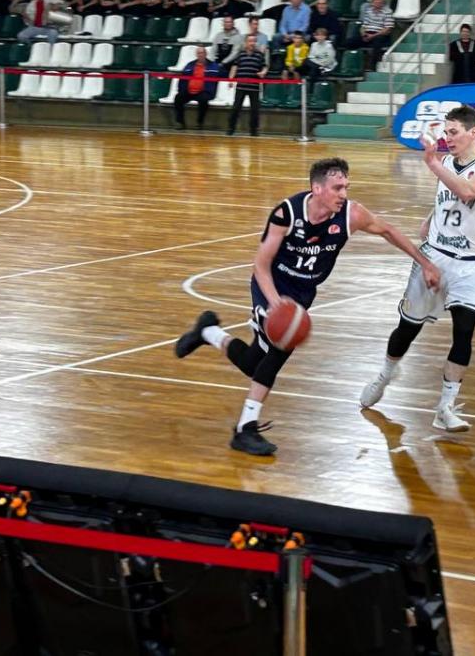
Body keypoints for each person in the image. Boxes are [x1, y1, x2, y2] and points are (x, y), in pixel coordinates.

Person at [174, 158, 441, 456]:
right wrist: (276, 304)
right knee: (279, 350)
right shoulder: (287, 213)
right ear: (317, 188)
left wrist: (425, 263)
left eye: (346, 187)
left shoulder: (352, 214)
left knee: (253, 364)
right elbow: (260, 265)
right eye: (337, 188)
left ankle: (208, 332)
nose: (343, 194)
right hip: (271, 287)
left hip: (302, 293)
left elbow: (388, 230)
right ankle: (244, 429)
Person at [359, 108, 475, 432]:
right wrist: (431, 217)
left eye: (453, 132)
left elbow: (468, 191)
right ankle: (385, 374)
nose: (447, 138)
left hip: (471, 263)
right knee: (407, 328)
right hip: (434, 257)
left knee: (464, 330)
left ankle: (445, 407)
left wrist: (432, 162)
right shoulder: (448, 164)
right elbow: (448, 195)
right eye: (445, 132)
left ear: (473, 132)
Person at [226, 33, 267, 137]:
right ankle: (231, 128)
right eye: (250, 41)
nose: (252, 43)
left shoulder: (259, 55)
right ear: (246, 42)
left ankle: (254, 130)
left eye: (254, 41)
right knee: (236, 108)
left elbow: (265, 67)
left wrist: (263, 72)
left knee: (255, 110)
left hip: (254, 87)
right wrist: (231, 79)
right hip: (241, 85)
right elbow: (234, 67)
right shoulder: (241, 54)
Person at [173, 46, 221, 131]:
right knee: (178, 98)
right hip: (189, 91)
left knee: (203, 100)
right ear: (196, 54)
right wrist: (181, 90)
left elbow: (221, 75)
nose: (200, 55)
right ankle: (180, 122)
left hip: (204, 91)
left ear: (206, 54)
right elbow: (182, 78)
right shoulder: (190, 65)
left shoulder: (213, 66)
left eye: (202, 53)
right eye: (199, 53)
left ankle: (199, 123)